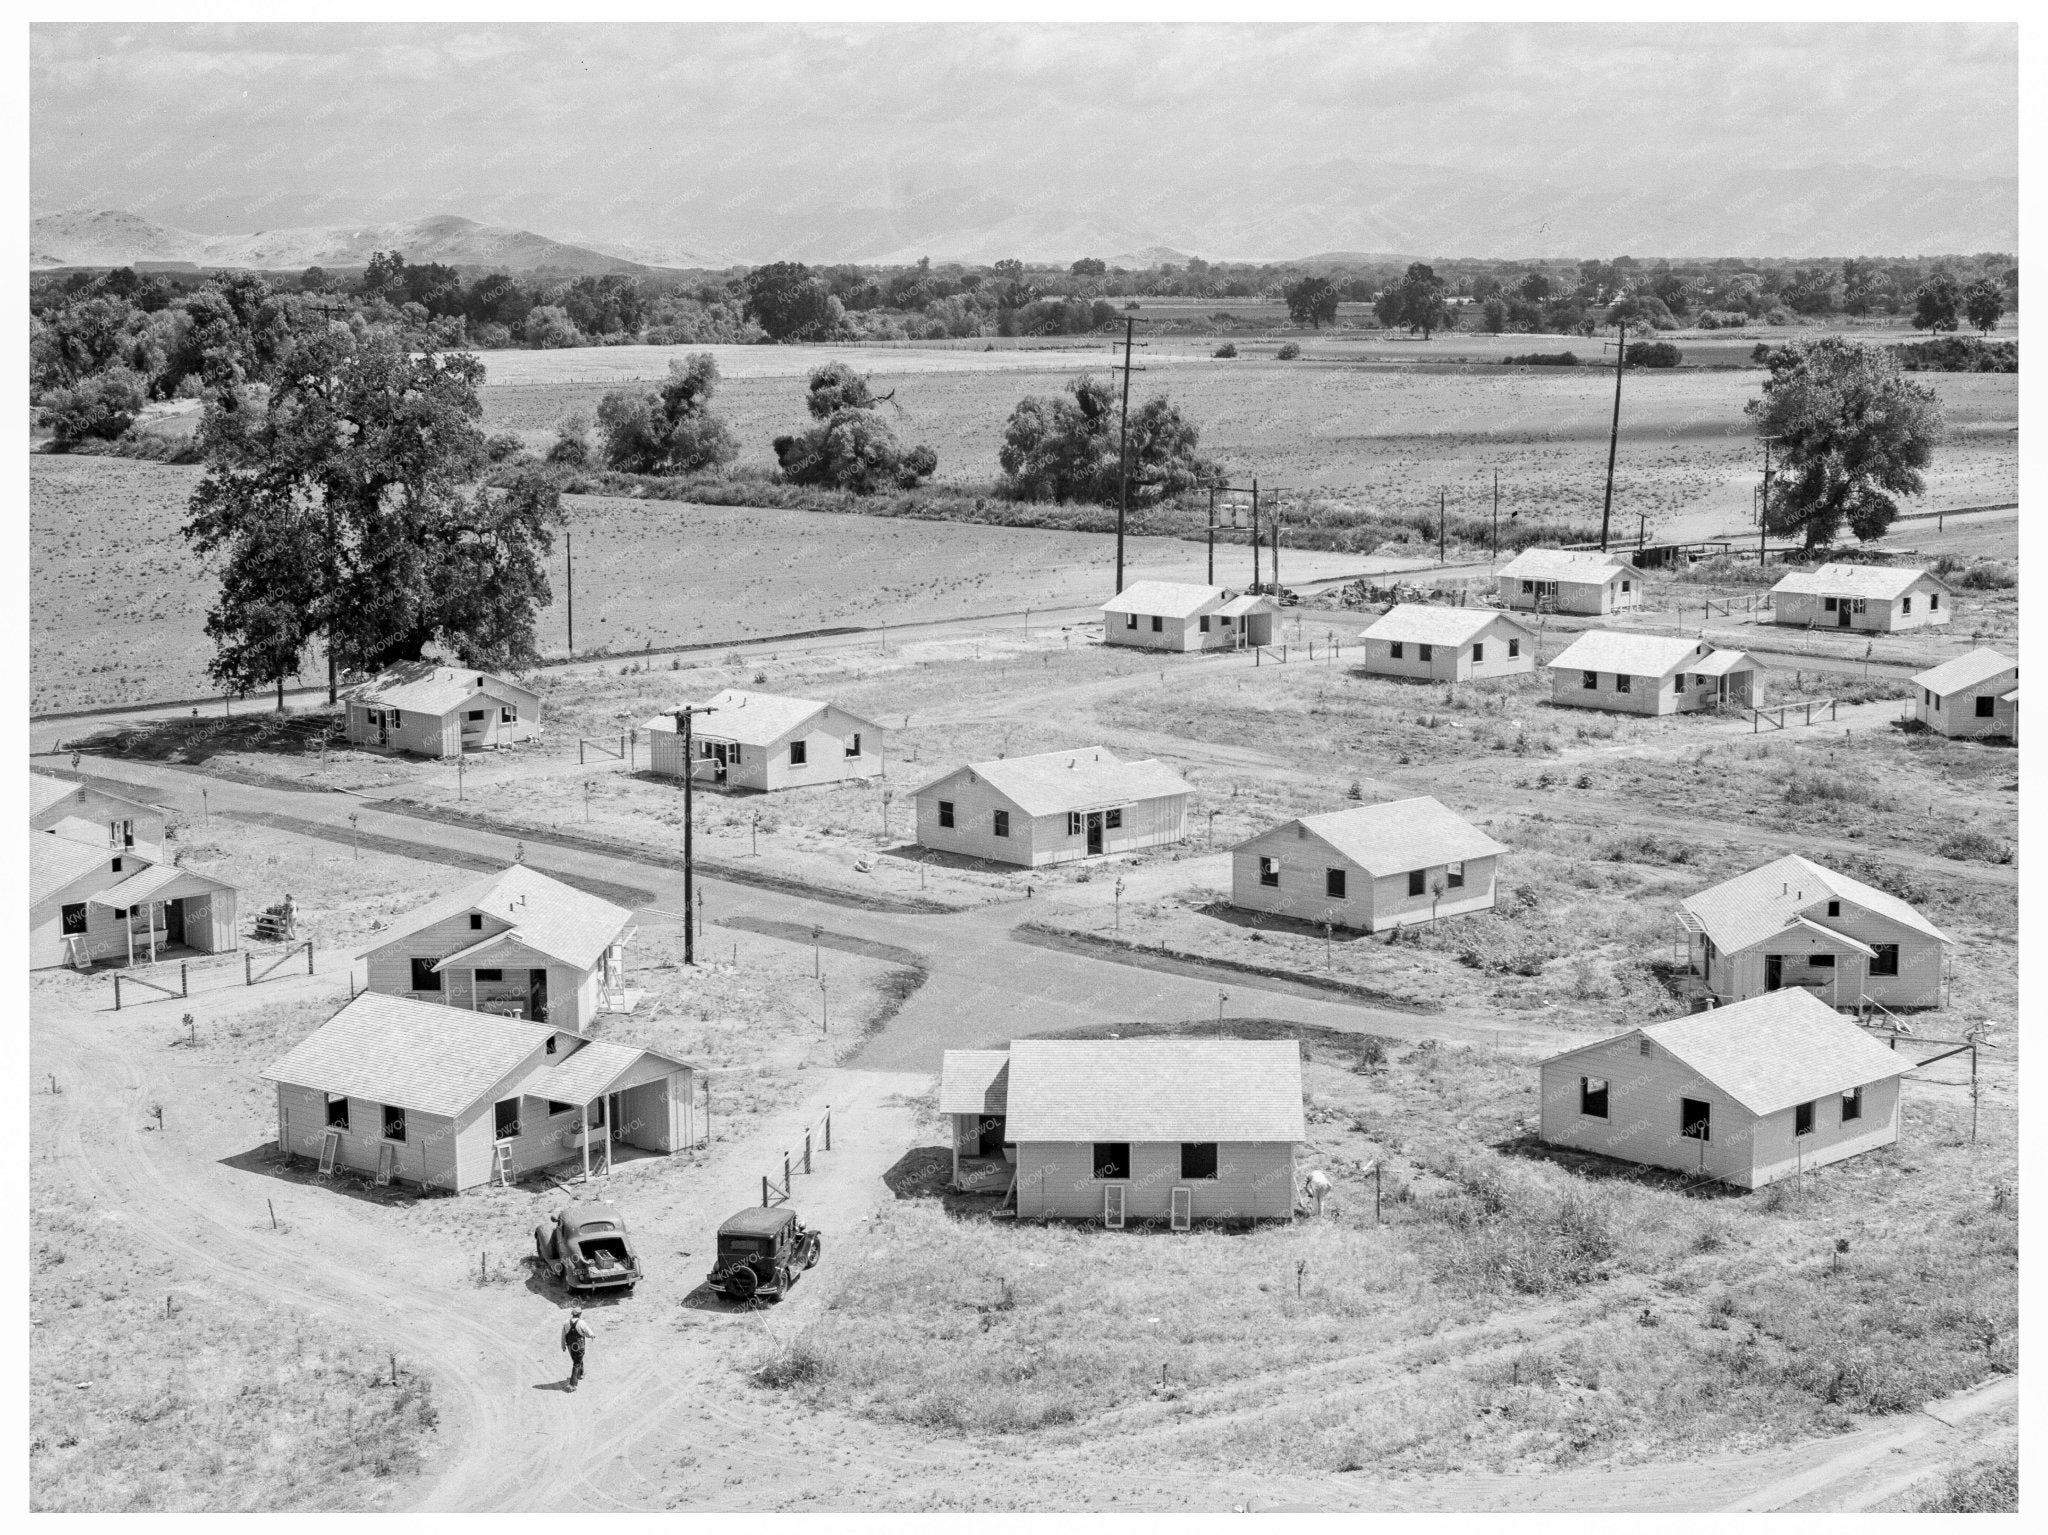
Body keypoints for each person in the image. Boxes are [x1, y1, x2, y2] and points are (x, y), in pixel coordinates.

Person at [560, 1308, 592, 1391]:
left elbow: (563, 1335)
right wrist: (592, 1335)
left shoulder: (566, 1323)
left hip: (570, 1347)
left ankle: (580, 1374)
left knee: (577, 1359)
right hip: (579, 1346)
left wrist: (563, 1346)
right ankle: (572, 1385)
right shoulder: (581, 1322)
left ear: (573, 1314)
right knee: (576, 1363)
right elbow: (588, 1333)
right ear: (579, 1314)